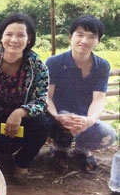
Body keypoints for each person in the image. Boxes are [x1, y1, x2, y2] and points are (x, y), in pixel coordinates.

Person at [0, 13, 50, 184]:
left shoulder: (37, 66)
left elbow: (41, 100)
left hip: (24, 120)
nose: (14, 40)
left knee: (42, 125)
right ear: (1, 36)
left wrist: (21, 112)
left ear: (29, 38)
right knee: (4, 147)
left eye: (20, 35)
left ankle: (22, 162)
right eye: (9, 34)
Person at [46, 15, 117, 174]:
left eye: (92, 36)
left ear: (98, 40)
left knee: (108, 135)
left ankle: (83, 150)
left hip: (83, 119)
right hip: (57, 119)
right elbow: (47, 96)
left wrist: (89, 120)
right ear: (70, 37)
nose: (85, 40)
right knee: (57, 121)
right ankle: (60, 148)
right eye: (80, 35)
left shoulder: (102, 66)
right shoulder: (54, 62)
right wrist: (56, 116)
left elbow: (98, 99)